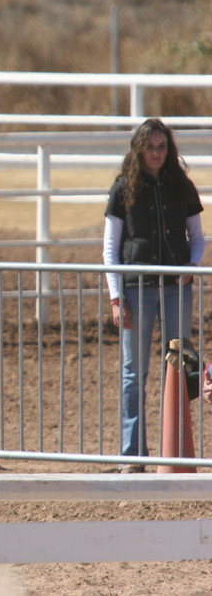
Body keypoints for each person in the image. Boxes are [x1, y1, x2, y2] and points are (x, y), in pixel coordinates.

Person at [103, 117, 205, 472]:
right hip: (135, 290)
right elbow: (110, 248)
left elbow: (198, 237)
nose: (156, 153)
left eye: (162, 147)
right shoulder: (122, 189)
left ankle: (174, 448)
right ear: (139, 149)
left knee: (179, 366)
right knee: (135, 371)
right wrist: (116, 297)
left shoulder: (182, 186)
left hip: (176, 288)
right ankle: (133, 454)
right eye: (150, 147)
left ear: (169, 149)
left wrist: (188, 268)